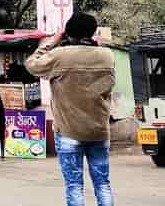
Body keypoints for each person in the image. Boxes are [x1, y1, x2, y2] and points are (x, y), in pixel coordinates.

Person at [25, 13, 116, 206]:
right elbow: (109, 87)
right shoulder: (107, 56)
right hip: (99, 131)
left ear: (68, 33)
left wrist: (52, 41)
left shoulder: (60, 56)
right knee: (103, 184)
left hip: (68, 132)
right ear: (92, 32)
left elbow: (31, 64)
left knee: (74, 185)